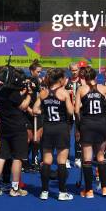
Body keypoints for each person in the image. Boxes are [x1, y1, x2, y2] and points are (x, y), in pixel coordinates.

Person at [75, 67, 106, 198]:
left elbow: (76, 110)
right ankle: (105, 188)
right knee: (101, 156)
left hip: (87, 124)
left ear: (84, 78)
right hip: (101, 124)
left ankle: (89, 190)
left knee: (87, 158)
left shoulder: (81, 89)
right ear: (96, 77)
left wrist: (79, 125)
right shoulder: (103, 88)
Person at [0, 66, 32, 197]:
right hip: (17, 127)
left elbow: (13, 98)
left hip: (4, 126)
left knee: (2, 156)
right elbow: (23, 106)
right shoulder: (12, 93)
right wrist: (29, 94)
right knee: (17, 158)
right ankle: (14, 188)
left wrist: (20, 91)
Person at [33, 68, 74, 201]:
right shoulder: (63, 93)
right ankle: (62, 193)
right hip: (61, 128)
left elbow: (34, 109)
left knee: (47, 161)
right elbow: (71, 111)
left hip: (48, 128)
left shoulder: (43, 93)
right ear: (60, 79)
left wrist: (44, 112)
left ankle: (44, 191)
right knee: (61, 162)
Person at [66, 61, 87, 167]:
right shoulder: (66, 81)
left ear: (79, 70)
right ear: (70, 70)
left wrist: (79, 105)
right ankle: (66, 159)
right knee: (67, 135)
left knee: (78, 135)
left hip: (79, 111)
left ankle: (78, 158)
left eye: (76, 70)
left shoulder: (82, 82)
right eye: (72, 70)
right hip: (69, 111)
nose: (74, 72)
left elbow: (86, 96)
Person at [25, 60, 43, 171]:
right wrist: (29, 110)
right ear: (32, 71)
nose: (39, 73)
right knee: (28, 139)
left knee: (37, 140)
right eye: (38, 71)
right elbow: (22, 99)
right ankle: (24, 161)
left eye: (40, 71)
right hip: (28, 114)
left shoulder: (40, 81)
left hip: (38, 114)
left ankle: (35, 160)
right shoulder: (26, 82)